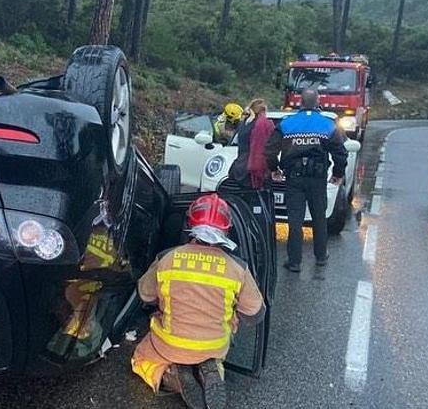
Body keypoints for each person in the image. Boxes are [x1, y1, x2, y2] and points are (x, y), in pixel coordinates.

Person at [131, 194, 264, 409]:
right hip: (214, 344)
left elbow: (144, 295)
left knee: (140, 360)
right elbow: (255, 313)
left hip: (171, 343)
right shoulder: (238, 268)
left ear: (189, 225)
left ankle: (172, 375)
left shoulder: (167, 258)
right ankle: (211, 372)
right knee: (224, 330)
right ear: (226, 230)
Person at [265, 89, 347, 272]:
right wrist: (338, 173)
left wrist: (274, 169)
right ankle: (320, 256)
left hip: (294, 178)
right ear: (318, 102)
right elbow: (340, 152)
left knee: (295, 220)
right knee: (319, 217)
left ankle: (294, 262)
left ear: (300, 103)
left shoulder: (287, 124)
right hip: (317, 179)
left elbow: (269, 150)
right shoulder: (327, 125)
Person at [229, 99, 274, 189]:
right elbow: (268, 149)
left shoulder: (243, 124)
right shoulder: (263, 125)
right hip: (253, 172)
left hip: (238, 168)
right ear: (263, 111)